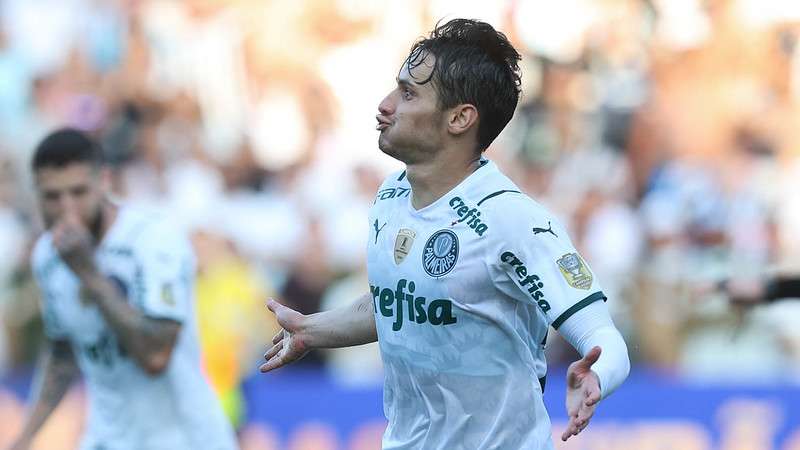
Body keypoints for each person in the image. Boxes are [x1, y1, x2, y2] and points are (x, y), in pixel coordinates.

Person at [260, 19, 630, 449]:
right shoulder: (391, 196)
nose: (385, 104)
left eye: (409, 93)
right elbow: (398, 304)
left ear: (459, 118)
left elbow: (603, 336)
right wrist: (311, 330)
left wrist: (597, 374)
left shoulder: (512, 220)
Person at [10, 128, 238, 450]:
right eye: (52, 196)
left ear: (104, 181)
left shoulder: (154, 241)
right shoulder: (48, 255)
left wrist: (89, 273)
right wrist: (26, 436)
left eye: (78, 192)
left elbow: (155, 355)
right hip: (108, 438)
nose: (67, 209)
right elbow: (63, 352)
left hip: (183, 437)